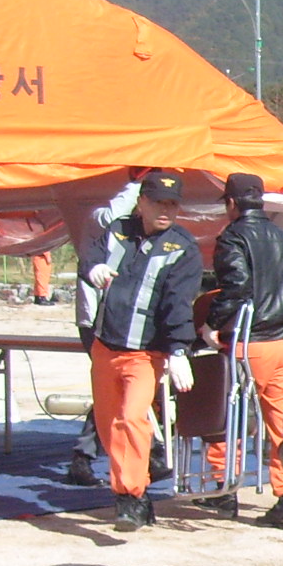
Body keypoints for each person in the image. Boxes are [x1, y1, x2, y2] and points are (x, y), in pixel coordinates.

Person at [201, 172, 283, 527]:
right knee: (282, 422)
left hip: (248, 341)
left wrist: (211, 323)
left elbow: (236, 288)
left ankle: (223, 488)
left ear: (231, 203)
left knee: (229, 415)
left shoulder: (233, 238)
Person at [83, 170, 202, 530]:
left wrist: (178, 351)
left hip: (146, 353)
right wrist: (94, 268)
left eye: (173, 204)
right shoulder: (117, 230)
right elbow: (88, 255)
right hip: (106, 347)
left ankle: (129, 497)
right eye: (159, 203)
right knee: (108, 426)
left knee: (132, 419)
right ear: (142, 203)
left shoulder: (182, 248)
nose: (166, 210)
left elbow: (178, 304)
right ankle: (139, 490)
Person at [65, 180, 171, 490]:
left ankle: (137, 454)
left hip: (118, 319)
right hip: (99, 320)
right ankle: (132, 455)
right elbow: (113, 217)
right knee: (116, 392)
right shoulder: (106, 224)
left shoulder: (135, 234)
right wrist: (138, 184)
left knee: (124, 391)